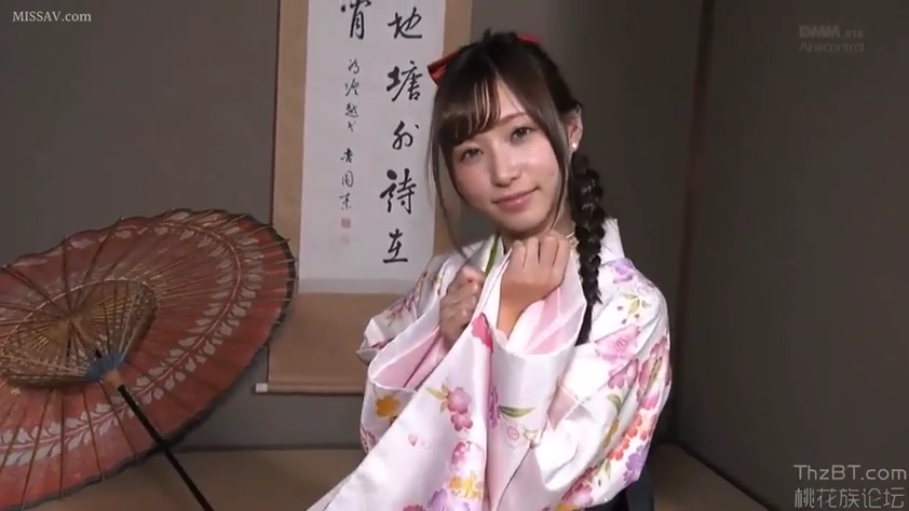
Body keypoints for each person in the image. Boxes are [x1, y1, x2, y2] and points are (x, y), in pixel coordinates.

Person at [307, 31, 671, 511]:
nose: (502, 172)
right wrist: (442, 341)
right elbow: (391, 439)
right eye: (471, 153)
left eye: (520, 134)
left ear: (571, 129)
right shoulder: (448, 276)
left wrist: (500, 326)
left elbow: (535, 485)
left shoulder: (633, 306)